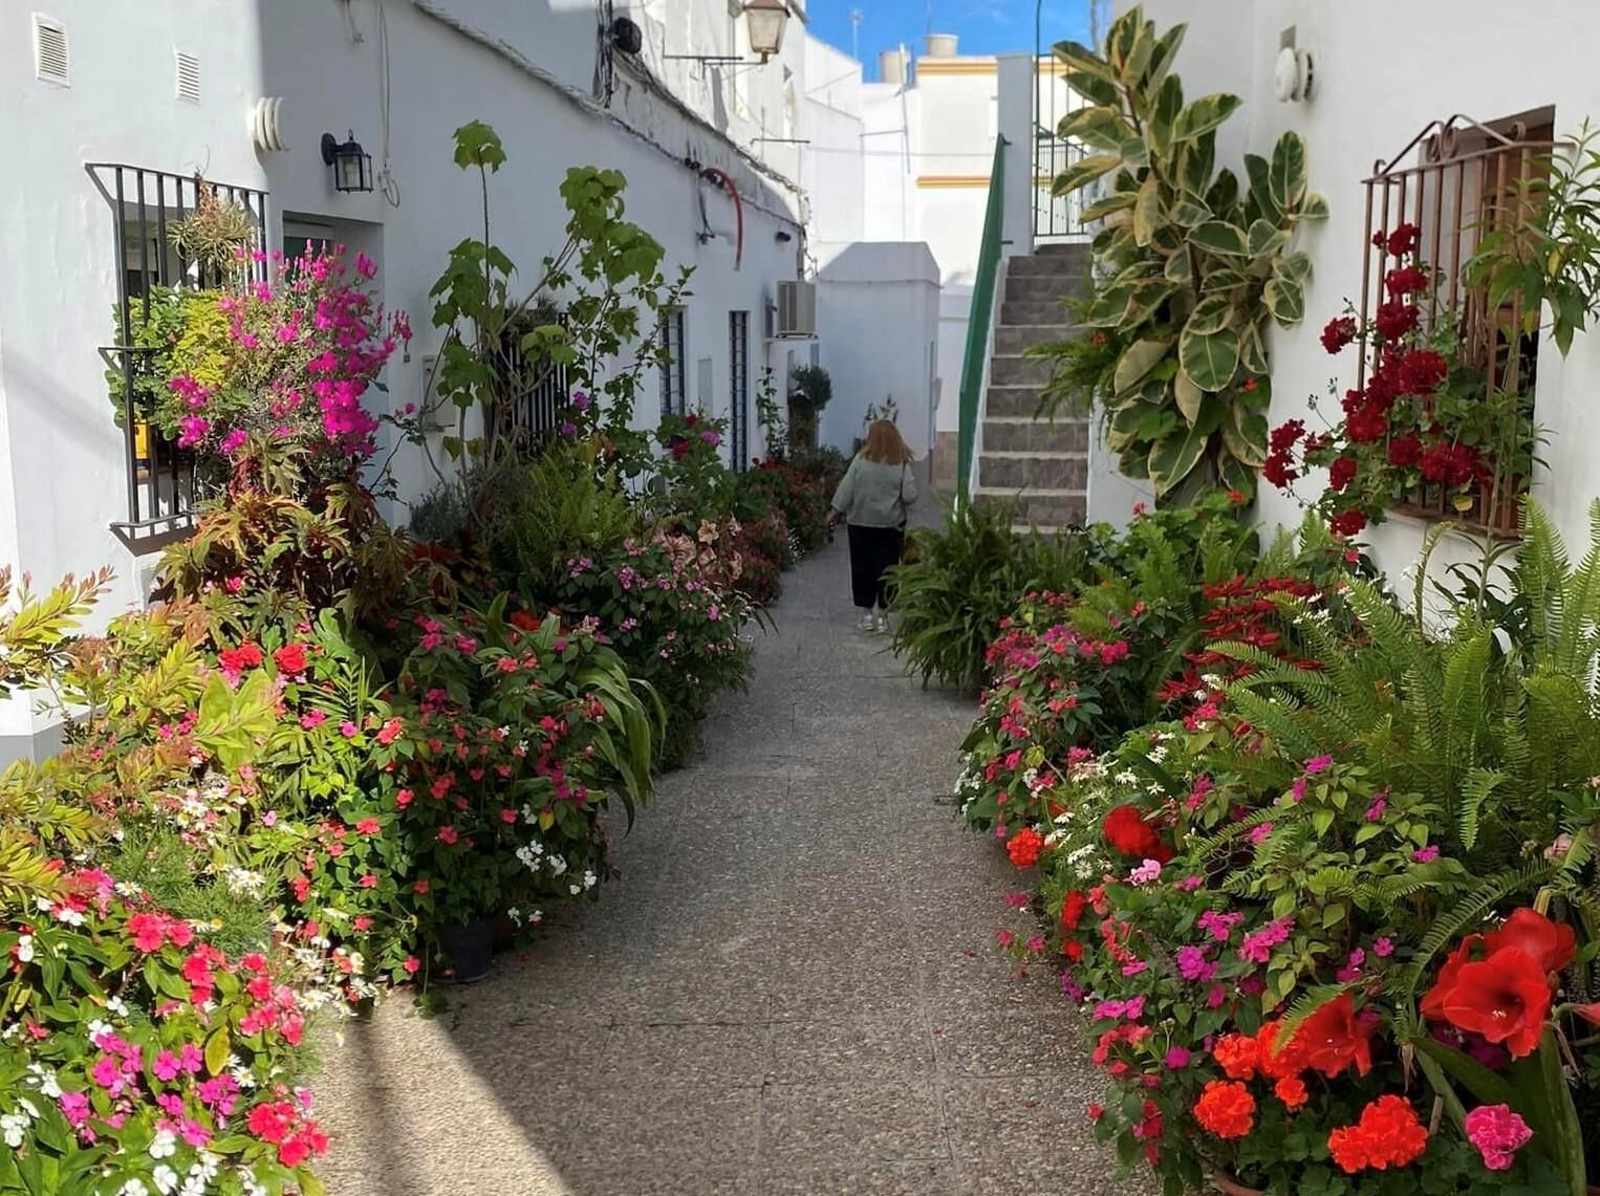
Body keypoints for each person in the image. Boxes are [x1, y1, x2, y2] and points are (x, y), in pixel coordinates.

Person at [829, 420, 918, 631]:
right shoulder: (901, 463)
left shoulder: (860, 461)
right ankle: (883, 617)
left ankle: (867, 615)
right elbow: (910, 495)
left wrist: (834, 512)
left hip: (860, 523)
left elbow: (846, 489)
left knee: (862, 568)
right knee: (887, 569)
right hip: (891, 525)